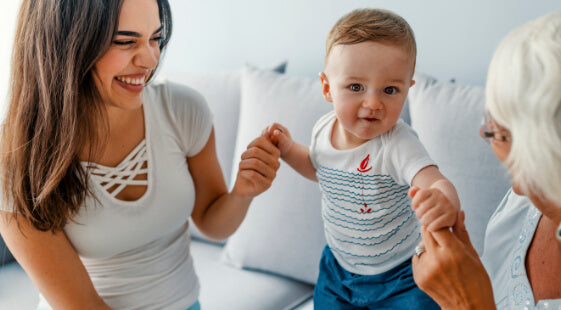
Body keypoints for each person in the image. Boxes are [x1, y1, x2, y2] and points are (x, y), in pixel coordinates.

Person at [0, 0, 280, 309]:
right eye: (125, 41)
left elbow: (212, 223)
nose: (151, 59)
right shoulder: (16, 158)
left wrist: (242, 193)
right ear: (66, 44)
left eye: (155, 38)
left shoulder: (182, 111)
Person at [264, 8, 460, 309]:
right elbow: (321, 168)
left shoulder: (398, 144)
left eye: (390, 90)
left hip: (402, 275)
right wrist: (289, 150)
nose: (373, 103)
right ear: (328, 87)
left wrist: (442, 200)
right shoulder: (322, 130)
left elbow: (433, 180)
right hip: (338, 270)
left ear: (407, 90)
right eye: (356, 87)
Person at [411, 11, 561, 309]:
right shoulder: (522, 208)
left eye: (500, 133)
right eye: (490, 119)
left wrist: (465, 303)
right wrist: (470, 271)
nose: (484, 132)